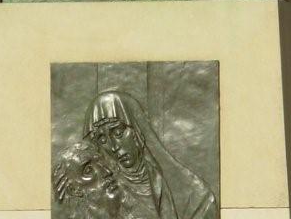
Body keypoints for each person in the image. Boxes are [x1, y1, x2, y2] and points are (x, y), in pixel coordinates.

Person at [84, 90, 216, 219]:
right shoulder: (105, 194)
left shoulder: (190, 193)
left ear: (137, 131)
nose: (113, 147)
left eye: (118, 132)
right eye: (102, 139)